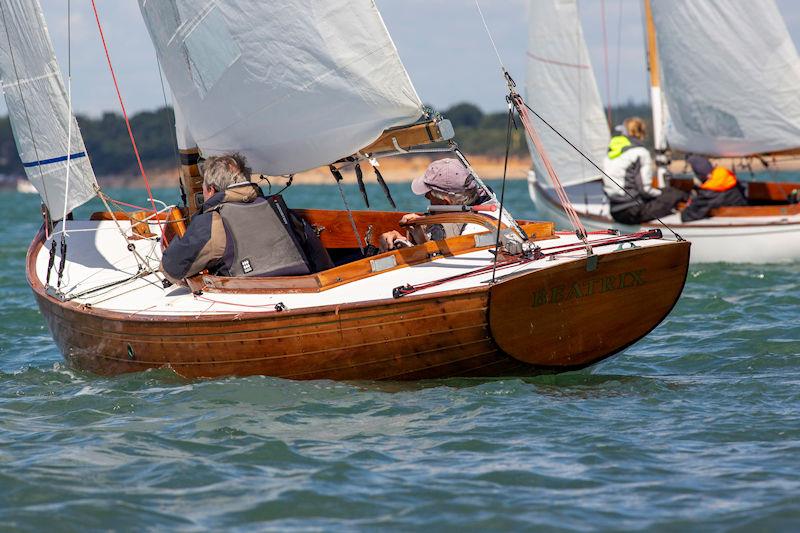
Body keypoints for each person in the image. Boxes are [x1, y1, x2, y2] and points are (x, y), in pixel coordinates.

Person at [161, 153, 330, 285]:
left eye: (203, 189)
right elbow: (320, 259)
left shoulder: (212, 221)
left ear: (211, 190)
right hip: (301, 290)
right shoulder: (278, 207)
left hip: (251, 301)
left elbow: (172, 269)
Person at [379, 158, 495, 252]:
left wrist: (421, 243)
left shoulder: (474, 232)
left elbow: (445, 270)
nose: (426, 196)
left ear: (446, 203)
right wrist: (406, 240)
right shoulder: (489, 210)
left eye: (429, 193)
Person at [602, 117, 688, 224]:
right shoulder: (640, 153)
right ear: (641, 132)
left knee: (664, 192)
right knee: (674, 194)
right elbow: (645, 190)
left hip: (615, 210)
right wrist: (661, 193)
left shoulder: (611, 152)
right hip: (632, 212)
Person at [680, 155, 747, 222]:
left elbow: (687, 216)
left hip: (729, 221)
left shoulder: (709, 193)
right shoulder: (730, 180)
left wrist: (689, 205)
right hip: (741, 216)